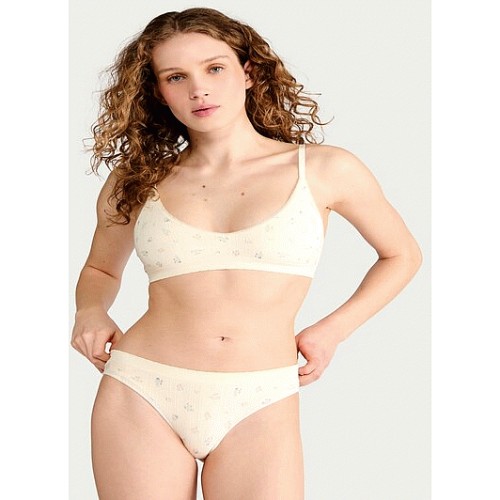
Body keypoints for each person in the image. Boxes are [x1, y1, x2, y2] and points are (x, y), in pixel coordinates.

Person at [70, 7, 422, 500]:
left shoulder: (324, 169)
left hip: (261, 396)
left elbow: (401, 255)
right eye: (176, 77)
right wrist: (90, 310)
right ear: (158, 91)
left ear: (249, 72)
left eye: (214, 68)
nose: (199, 89)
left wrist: (332, 330)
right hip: (142, 388)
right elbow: (100, 268)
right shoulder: (138, 179)